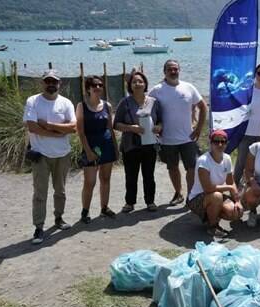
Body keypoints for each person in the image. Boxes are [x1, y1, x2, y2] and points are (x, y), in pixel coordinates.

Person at [22, 69, 77, 244]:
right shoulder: (33, 101)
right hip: (41, 155)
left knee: (60, 190)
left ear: (59, 84)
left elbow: (73, 127)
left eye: (54, 81)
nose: (51, 84)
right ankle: (39, 227)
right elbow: (32, 127)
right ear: (42, 83)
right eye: (48, 81)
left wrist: (48, 125)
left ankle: (59, 218)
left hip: (63, 154)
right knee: (40, 193)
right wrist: (57, 132)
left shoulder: (66, 103)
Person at [149, 59, 207, 206]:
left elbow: (203, 106)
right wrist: (154, 128)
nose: (173, 72)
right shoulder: (157, 90)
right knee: (172, 167)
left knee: (191, 168)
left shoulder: (188, 87)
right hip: (167, 139)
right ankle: (178, 193)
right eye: (170, 69)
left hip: (188, 137)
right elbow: (148, 110)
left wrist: (199, 128)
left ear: (179, 70)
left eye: (176, 69)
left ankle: (191, 195)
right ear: (165, 72)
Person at [114, 71, 162, 213]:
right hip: (131, 145)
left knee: (149, 175)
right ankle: (129, 203)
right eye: (134, 82)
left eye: (140, 81)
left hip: (150, 145)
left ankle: (150, 201)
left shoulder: (153, 102)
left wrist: (159, 127)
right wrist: (131, 128)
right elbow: (116, 124)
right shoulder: (125, 103)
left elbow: (160, 121)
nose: (138, 84)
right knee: (131, 176)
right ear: (130, 85)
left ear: (145, 84)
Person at [75, 75, 118, 224]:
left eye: (100, 85)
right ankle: (85, 212)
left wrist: (116, 148)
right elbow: (80, 131)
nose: (98, 87)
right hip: (90, 147)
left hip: (107, 146)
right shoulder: (81, 106)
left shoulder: (107, 106)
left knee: (105, 179)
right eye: (94, 85)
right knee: (90, 181)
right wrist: (87, 151)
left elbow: (110, 129)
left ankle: (104, 208)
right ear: (88, 88)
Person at [187, 129, 243, 238]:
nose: (220, 144)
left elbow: (231, 182)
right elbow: (208, 189)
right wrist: (230, 188)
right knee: (216, 196)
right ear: (211, 143)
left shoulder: (227, 158)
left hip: (213, 196)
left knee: (236, 212)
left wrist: (237, 201)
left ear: (227, 143)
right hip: (197, 199)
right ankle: (213, 226)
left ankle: (211, 215)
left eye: (223, 141)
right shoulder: (203, 161)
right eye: (216, 141)